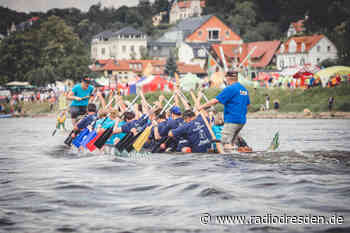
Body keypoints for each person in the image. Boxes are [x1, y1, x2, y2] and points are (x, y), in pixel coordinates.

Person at [198, 71, 250, 151]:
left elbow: (215, 100)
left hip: (232, 120)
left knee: (225, 143)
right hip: (242, 120)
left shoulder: (230, 88)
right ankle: (236, 158)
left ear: (228, 78)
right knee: (232, 142)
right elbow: (247, 105)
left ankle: (228, 161)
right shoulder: (244, 89)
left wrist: (201, 107)